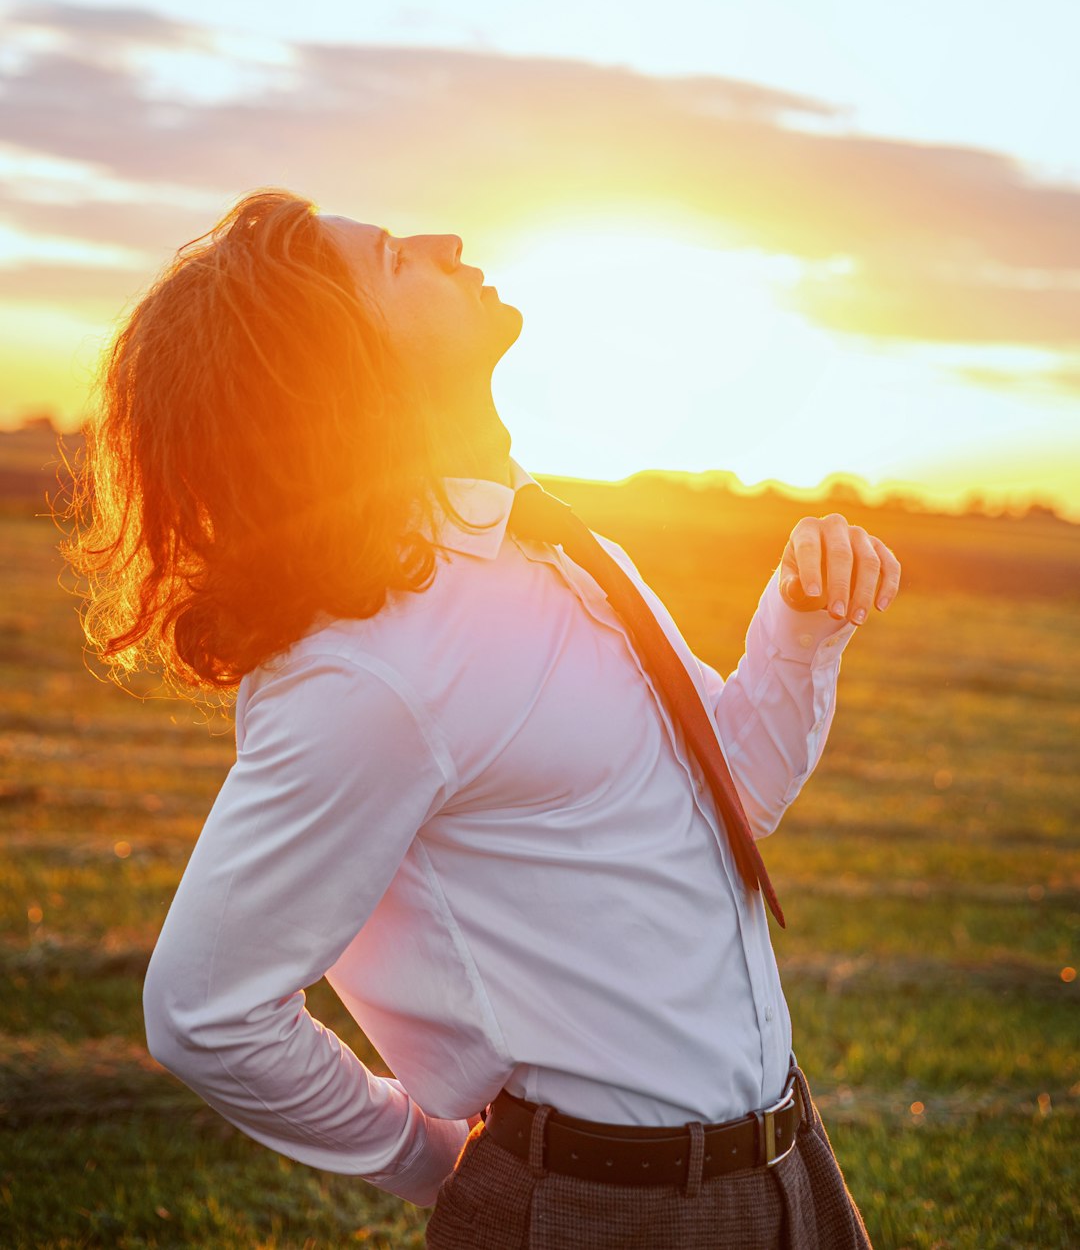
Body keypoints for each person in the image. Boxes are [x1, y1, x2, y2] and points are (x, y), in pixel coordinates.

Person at [64, 188, 900, 1248]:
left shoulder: (549, 538)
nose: (442, 240)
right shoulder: (365, 669)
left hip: (791, 1168)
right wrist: (442, 1162)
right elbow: (202, 1010)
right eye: (391, 262)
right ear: (337, 360)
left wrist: (803, 621)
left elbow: (737, 794)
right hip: (604, 1214)